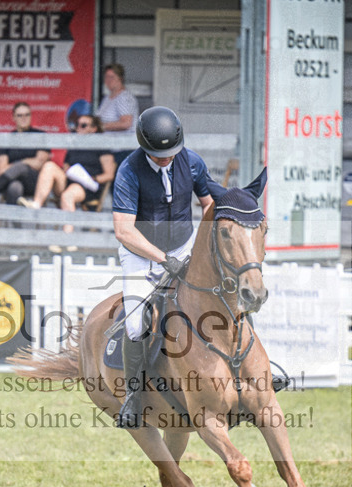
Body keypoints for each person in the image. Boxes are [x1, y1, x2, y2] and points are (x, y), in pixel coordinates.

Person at [112, 106, 218, 428]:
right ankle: (133, 394)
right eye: (159, 156)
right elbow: (123, 230)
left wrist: (203, 243)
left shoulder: (192, 161)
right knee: (134, 324)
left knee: (224, 294)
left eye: (171, 153)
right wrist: (162, 259)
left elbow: (210, 203)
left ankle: (249, 372)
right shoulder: (128, 172)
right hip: (142, 252)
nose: (167, 159)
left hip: (184, 245)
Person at [18, 114, 116, 252]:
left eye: (83, 125)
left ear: (93, 129)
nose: (78, 129)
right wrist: (68, 171)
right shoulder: (74, 145)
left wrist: (92, 179)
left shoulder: (101, 146)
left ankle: (67, 238)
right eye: (77, 125)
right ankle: (36, 204)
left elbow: (109, 174)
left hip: (87, 185)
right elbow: (66, 165)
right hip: (70, 180)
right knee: (49, 166)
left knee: (68, 196)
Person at [97, 64, 140, 168]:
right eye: (106, 77)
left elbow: (126, 123)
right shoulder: (107, 98)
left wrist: (102, 127)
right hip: (108, 148)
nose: (108, 80)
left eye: (112, 77)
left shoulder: (124, 98)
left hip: (122, 150)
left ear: (120, 78)